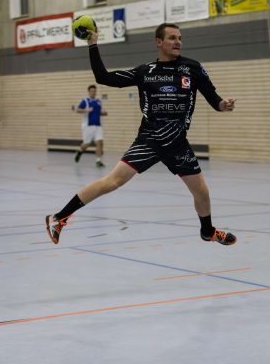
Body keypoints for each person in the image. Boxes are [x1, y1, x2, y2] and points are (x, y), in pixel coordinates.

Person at [45, 23, 237, 246]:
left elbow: (214, 99)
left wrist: (223, 104)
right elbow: (103, 77)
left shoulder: (193, 68)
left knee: (202, 192)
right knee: (112, 182)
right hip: (149, 141)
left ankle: (208, 231)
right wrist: (93, 45)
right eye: (172, 38)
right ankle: (57, 218)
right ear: (159, 42)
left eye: (180, 38)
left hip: (177, 144)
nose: (178, 42)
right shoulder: (145, 72)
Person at [73, 84, 107, 168]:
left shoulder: (98, 101)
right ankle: (79, 151)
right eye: (92, 91)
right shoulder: (85, 101)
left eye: (95, 91)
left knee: (100, 142)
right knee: (87, 144)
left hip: (98, 126)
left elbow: (98, 112)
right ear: (89, 92)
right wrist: (86, 110)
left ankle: (98, 161)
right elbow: (77, 110)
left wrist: (103, 113)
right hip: (88, 126)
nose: (93, 92)